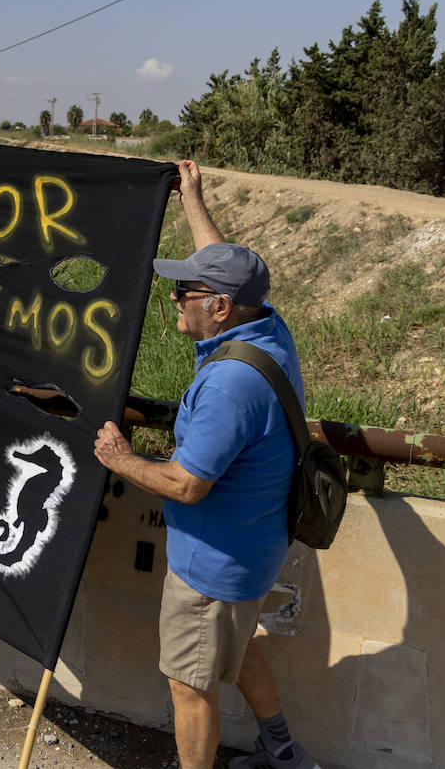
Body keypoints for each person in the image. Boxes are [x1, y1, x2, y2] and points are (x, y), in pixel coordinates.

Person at [93, 161, 319, 769]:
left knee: (190, 685)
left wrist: (121, 458)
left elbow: (187, 484)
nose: (173, 298)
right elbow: (220, 260)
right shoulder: (268, 330)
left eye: (184, 293)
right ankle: (283, 752)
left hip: (211, 568)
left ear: (219, 308)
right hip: (254, 546)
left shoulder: (227, 387)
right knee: (240, 651)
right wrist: (193, 198)